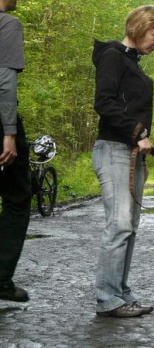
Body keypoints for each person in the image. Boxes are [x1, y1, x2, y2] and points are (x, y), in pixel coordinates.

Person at [91, 5, 154, 318]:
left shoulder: (130, 61)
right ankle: (107, 299)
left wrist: (141, 144)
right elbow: (104, 103)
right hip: (113, 149)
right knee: (119, 225)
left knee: (130, 227)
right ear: (139, 27)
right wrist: (137, 132)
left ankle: (120, 293)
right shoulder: (112, 55)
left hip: (132, 153)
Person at [0, 0, 30, 303]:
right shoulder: (7, 23)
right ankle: (0, 278)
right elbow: (4, 82)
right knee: (18, 197)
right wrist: (9, 133)